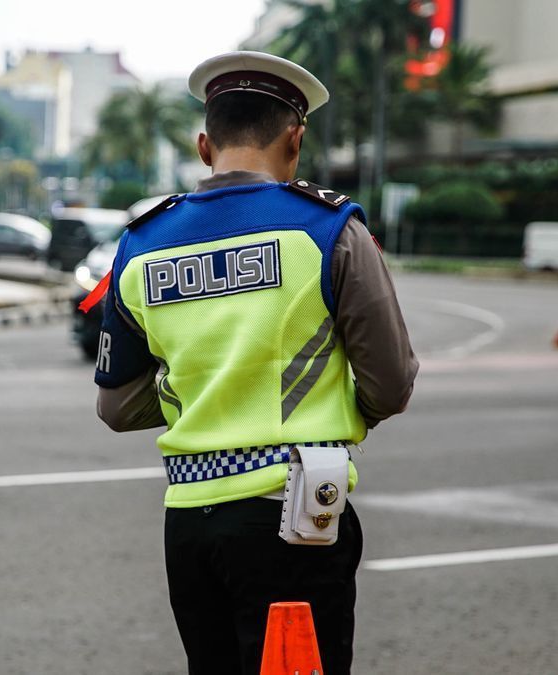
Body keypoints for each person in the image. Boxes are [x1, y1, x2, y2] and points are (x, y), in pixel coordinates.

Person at [92, 51, 418, 674]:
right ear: (295, 139)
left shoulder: (140, 243)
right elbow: (392, 383)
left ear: (204, 143)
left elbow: (115, 405)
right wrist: (331, 404)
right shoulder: (328, 230)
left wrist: (201, 388)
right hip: (295, 517)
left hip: (188, 526)